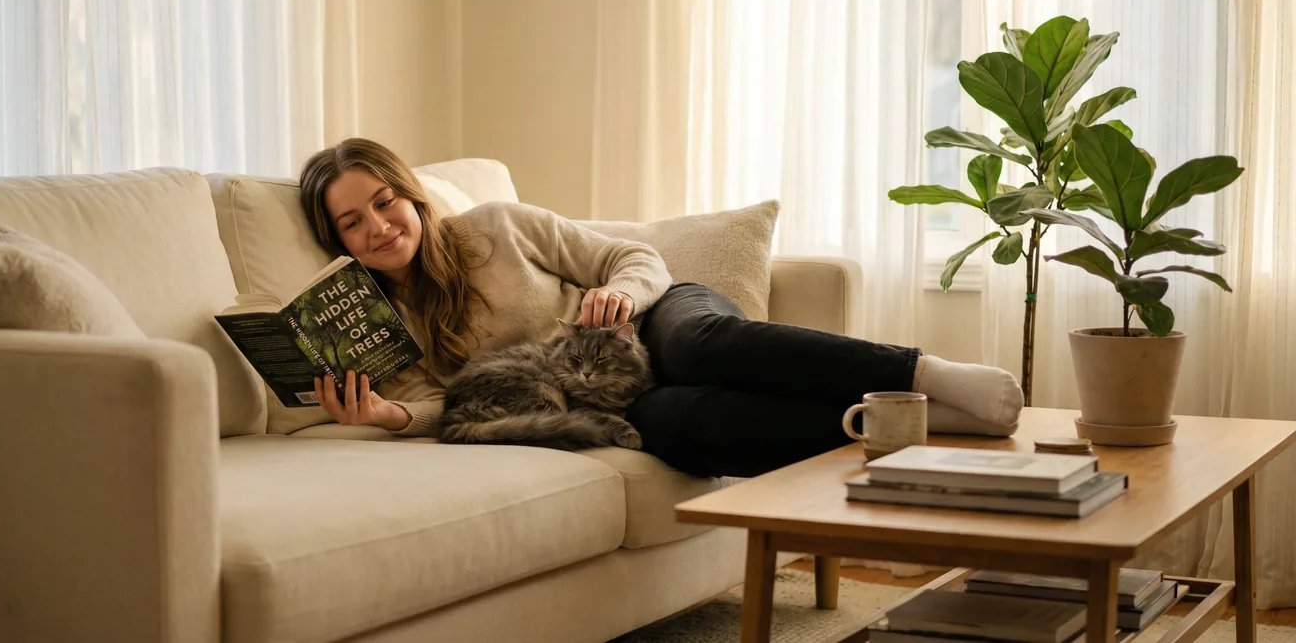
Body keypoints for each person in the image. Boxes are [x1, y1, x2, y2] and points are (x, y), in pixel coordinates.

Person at [297, 138, 1023, 478]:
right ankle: (904, 425)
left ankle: (929, 371)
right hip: (598, 391)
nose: (378, 227)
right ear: (341, 240)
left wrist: (623, 293)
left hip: (651, 322)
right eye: (353, 223)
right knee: (686, 423)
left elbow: (633, 258)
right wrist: (389, 416)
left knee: (705, 346)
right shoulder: (375, 323)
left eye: (383, 203)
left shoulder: (498, 225)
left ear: (409, 194)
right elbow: (443, 403)